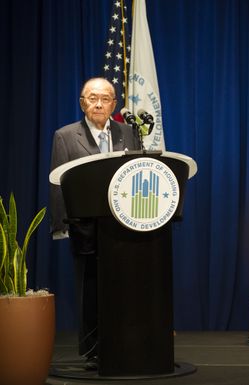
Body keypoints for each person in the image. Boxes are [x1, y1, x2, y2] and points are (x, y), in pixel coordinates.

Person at [50, 77, 139, 370]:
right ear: (82, 102)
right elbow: (58, 182)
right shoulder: (65, 135)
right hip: (85, 227)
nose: (98, 103)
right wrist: (61, 224)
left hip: (123, 229)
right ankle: (93, 349)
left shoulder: (128, 132)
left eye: (105, 98)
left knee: (125, 288)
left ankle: (125, 343)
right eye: (92, 98)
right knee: (90, 290)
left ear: (114, 104)